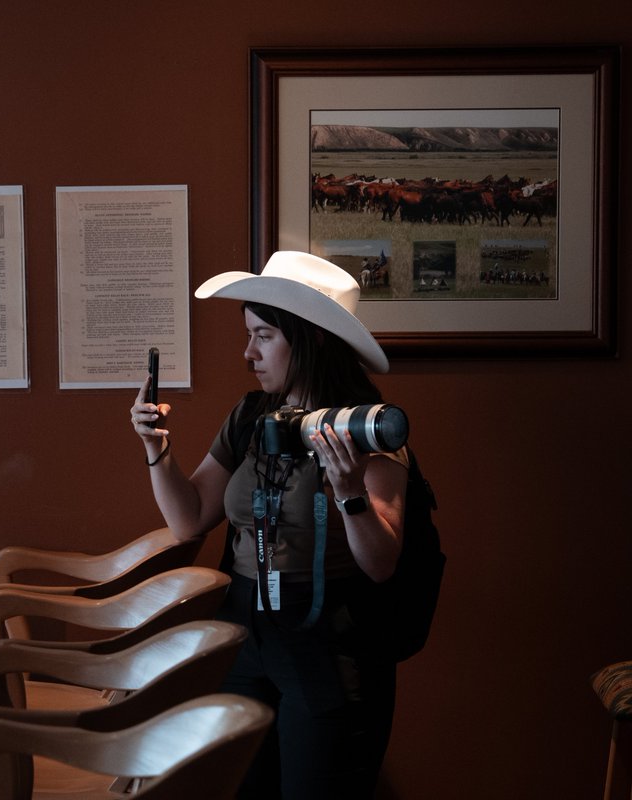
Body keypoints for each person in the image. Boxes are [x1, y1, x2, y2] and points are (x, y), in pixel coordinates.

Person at [129, 251, 408, 799]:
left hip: (326, 639)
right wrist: (155, 449)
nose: (248, 352)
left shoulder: (366, 428)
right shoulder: (252, 416)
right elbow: (189, 521)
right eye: (248, 334)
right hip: (245, 631)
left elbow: (381, 564)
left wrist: (350, 492)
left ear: (310, 338)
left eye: (263, 336)